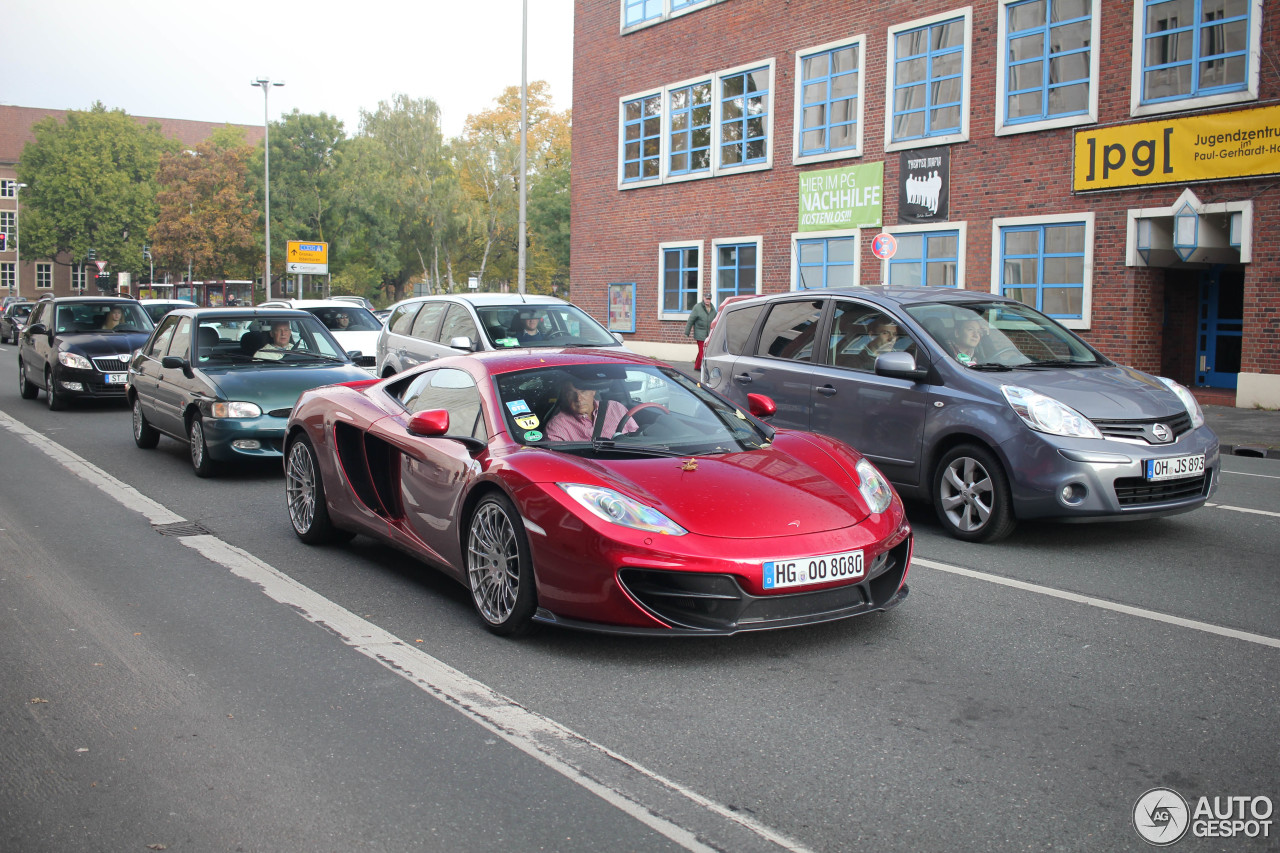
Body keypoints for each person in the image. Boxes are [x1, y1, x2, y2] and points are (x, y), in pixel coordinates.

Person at [545, 378, 640, 442]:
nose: (578, 398)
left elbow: (637, 438)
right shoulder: (557, 425)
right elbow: (557, 460)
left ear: (593, 391)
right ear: (566, 396)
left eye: (583, 392)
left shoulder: (616, 407)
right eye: (571, 393)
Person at [684, 294, 716, 370]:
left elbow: (715, 319)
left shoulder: (712, 308)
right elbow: (691, 320)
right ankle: (704, 369)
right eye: (706, 298)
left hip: (708, 334)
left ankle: (697, 366)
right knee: (703, 352)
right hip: (700, 334)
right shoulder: (697, 307)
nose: (708, 300)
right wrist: (687, 332)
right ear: (703, 298)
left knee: (702, 351)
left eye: (709, 299)